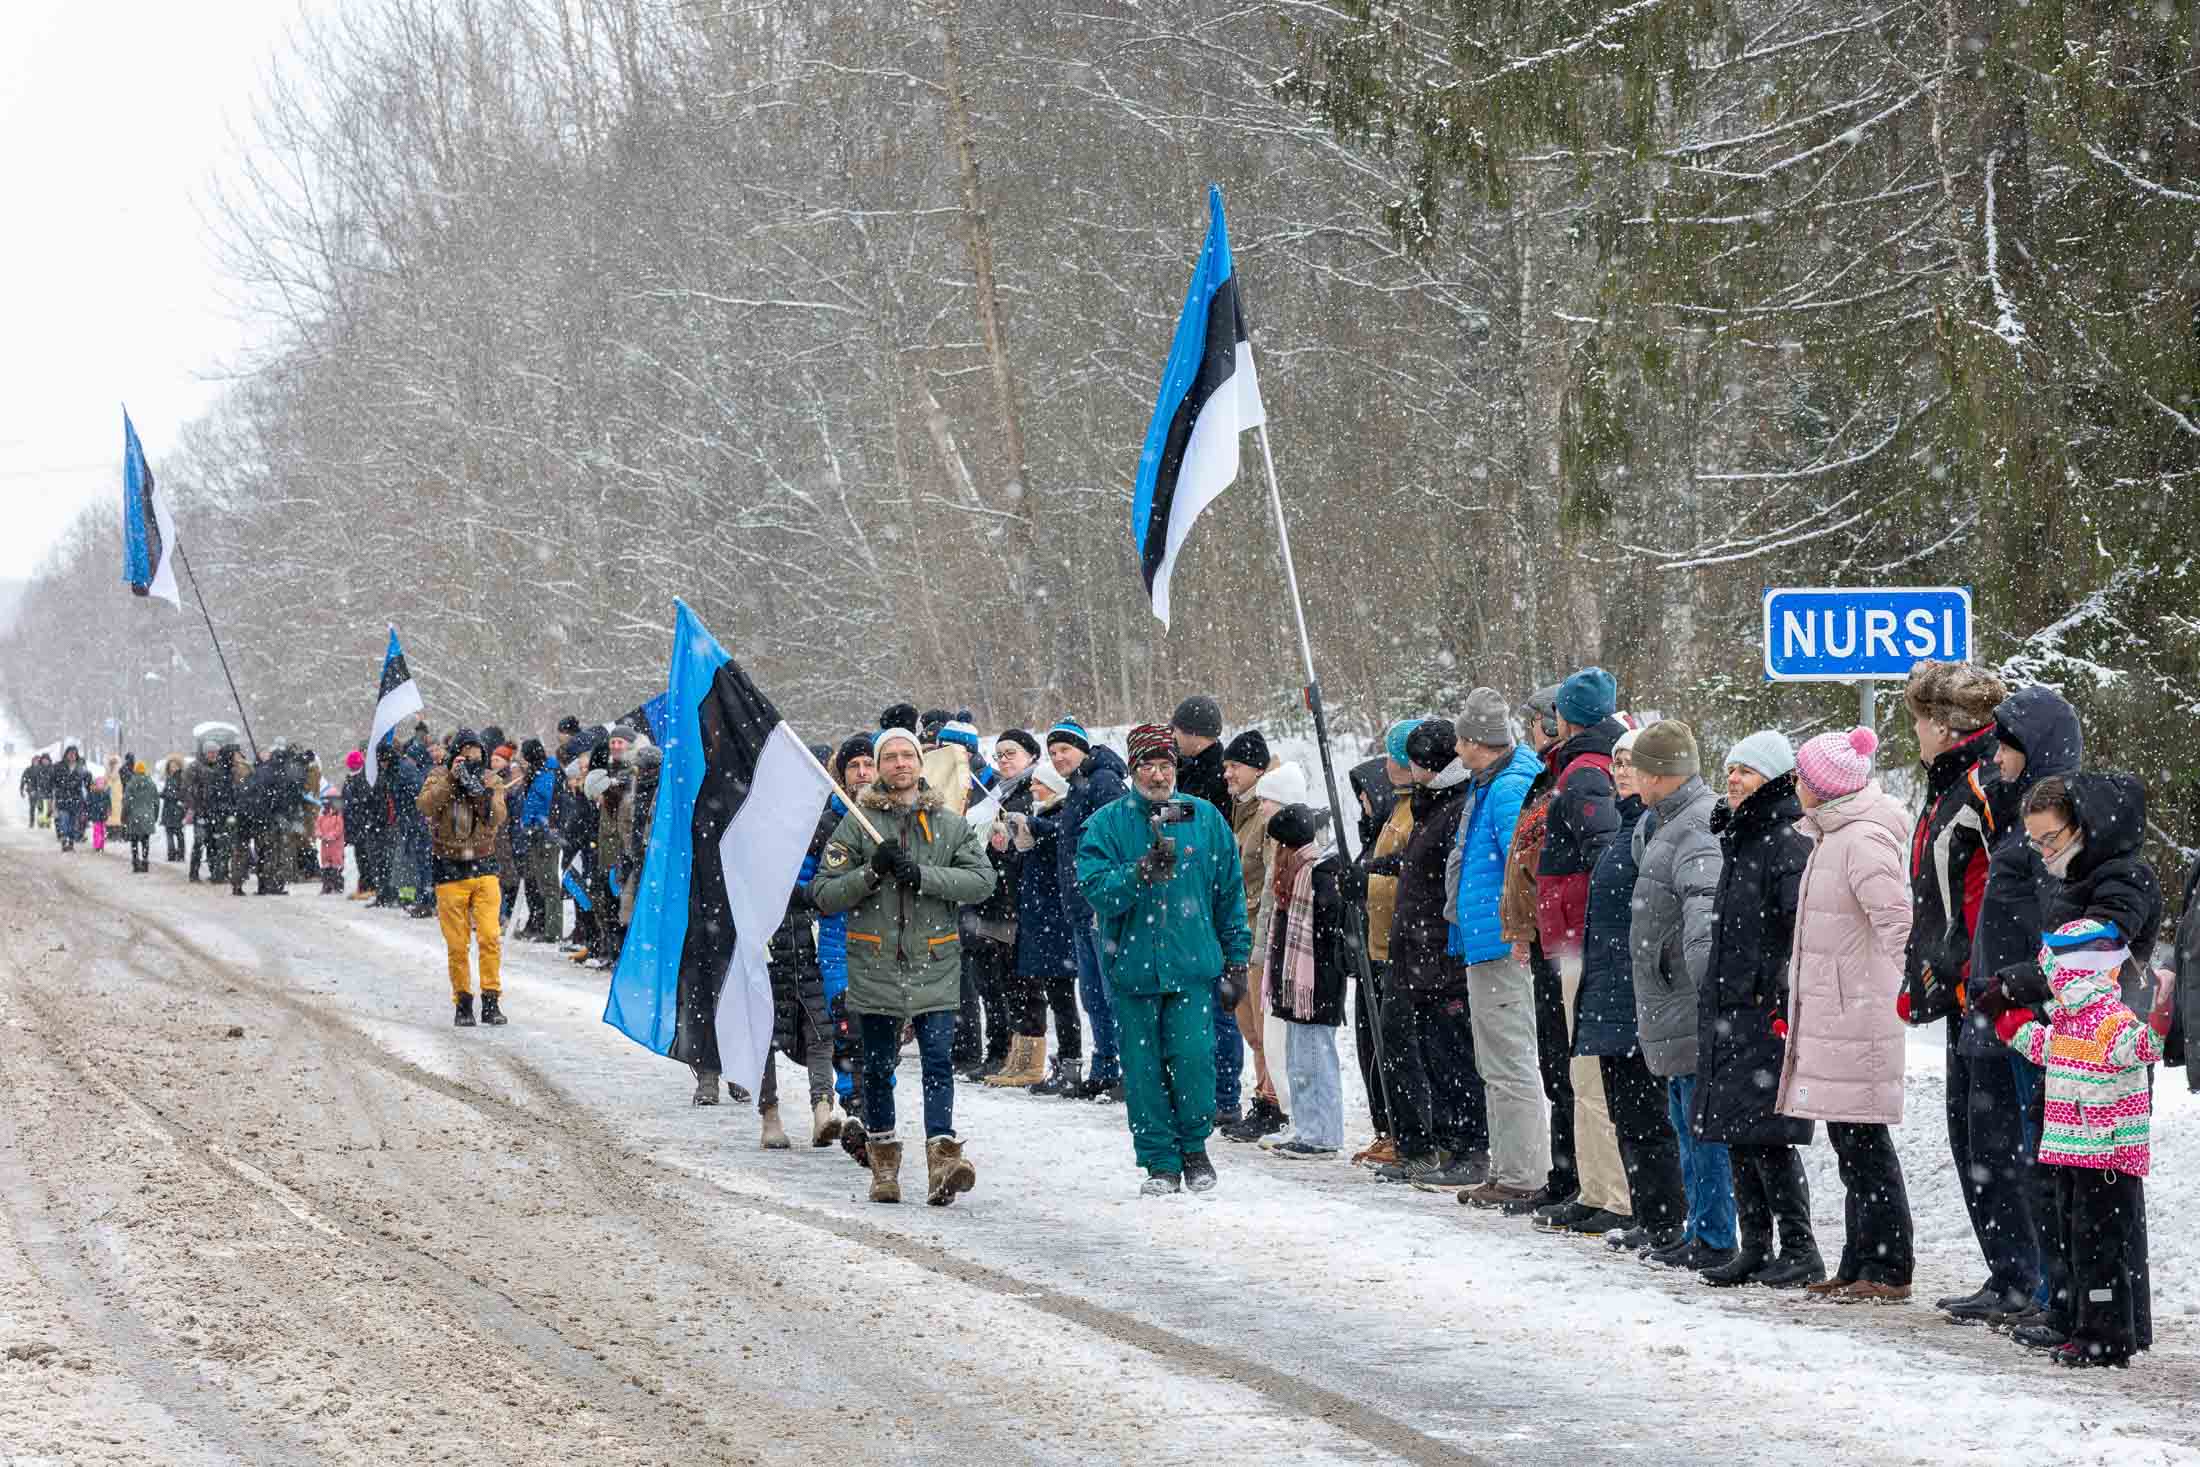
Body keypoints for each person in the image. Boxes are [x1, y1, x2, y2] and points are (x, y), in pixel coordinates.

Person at [1979, 770, 2163, 1355]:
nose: (2043, 852)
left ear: (2085, 827)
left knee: (2103, 1205)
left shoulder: (2124, 876)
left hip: (2109, 1066)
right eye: (2034, 841)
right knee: (2061, 1191)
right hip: (2069, 1053)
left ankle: (2112, 1322)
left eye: (2050, 838)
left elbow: (2096, 953)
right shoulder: (2078, 874)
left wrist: (2016, 985)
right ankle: (2069, 1306)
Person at [808, 725, 995, 1205]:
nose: (898, 764)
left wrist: (925, 876)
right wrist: (872, 872)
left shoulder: (948, 823)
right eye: (888, 756)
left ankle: (944, 1160)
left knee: (937, 1061)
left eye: (906, 755)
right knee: (876, 1066)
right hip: (874, 963)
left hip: (934, 959)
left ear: (919, 763)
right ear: (879, 765)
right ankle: (884, 1164)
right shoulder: (855, 823)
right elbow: (825, 893)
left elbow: (981, 880)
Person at [1076, 722, 1252, 1196]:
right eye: (1148, 766)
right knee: (1143, 1066)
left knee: (1195, 1059)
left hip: (1193, 966)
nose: (1158, 775)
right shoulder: (1107, 824)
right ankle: (1159, 1160)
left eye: (1166, 764)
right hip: (1134, 968)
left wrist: (1237, 962)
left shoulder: (1206, 818)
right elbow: (1095, 889)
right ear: (1133, 769)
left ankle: (1194, 1148)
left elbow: (1229, 895)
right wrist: (1138, 874)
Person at [1954, 685, 2080, 1328]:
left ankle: (2041, 1289)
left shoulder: (2052, 819)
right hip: (1995, 1003)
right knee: (1997, 1148)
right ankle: (2014, 1278)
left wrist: (2021, 994)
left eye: (2006, 746)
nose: (1995, 757)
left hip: (2024, 1011)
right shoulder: (2016, 813)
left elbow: (2051, 921)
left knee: (2027, 1153)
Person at [1994, 921, 2175, 1368]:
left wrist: (2162, 1007)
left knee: (2101, 1252)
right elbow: (2040, 1046)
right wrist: (2004, 1018)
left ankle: (2105, 1339)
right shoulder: (2070, 1024)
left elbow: (2145, 1045)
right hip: (2076, 1155)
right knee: (2080, 1245)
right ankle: (2088, 1329)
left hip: (2108, 1160)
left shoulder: (2110, 1023)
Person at [1778, 727, 1915, 1300]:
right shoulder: (1833, 837)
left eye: (1801, 778)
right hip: (1839, 1015)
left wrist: (1892, 991)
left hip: (1858, 1017)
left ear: (1821, 788)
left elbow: (1898, 925)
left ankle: (1887, 1267)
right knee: (1850, 1144)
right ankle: (1861, 1262)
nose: (1796, 787)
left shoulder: (1861, 841)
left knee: (1864, 1144)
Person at [1892, 660, 2010, 1322]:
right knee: (1969, 1136)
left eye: (1919, 720)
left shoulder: (1982, 787)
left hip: (1982, 984)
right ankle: (2006, 1269)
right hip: (1958, 981)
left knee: (1991, 1139)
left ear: (1942, 725)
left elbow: (1996, 889)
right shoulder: (1949, 787)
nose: (1914, 732)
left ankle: (2022, 1272)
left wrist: (1972, 967)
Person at [1691, 732, 1816, 1284]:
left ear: (1773, 777)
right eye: (1731, 769)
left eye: (1747, 770)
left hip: (1764, 1008)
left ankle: (1799, 1246)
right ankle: (1755, 1242)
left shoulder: (1784, 839)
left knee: (1768, 1134)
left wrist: (1772, 989)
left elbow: (1795, 928)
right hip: (1733, 1003)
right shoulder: (1742, 834)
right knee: (1738, 1130)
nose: (1734, 779)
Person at [1627, 721, 1736, 1257]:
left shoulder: (1695, 827)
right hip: (1670, 1000)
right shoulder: (1663, 821)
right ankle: (1698, 1228)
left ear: (1661, 775)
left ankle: (1714, 1235)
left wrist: (1697, 976)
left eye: (1640, 771)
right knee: (1683, 1119)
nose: (1632, 780)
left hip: (1689, 999)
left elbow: (1703, 909)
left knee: (1701, 1126)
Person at [1366, 718, 1488, 1189]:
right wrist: (1375, 869)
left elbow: (1442, 873)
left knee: (1451, 1054)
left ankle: (1469, 1147)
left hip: (1438, 953)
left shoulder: (1454, 807)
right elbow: (1421, 863)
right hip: (1415, 950)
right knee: (1420, 1052)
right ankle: (1434, 1145)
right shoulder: (1434, 805)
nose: (1409, 772)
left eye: (1416, 764)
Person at [1444, 689, 1554, 1211]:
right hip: (1486, 940)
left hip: (1501, 944)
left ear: (1476, 742)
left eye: (1462, 738)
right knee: (1496, 1060)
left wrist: (1519, 933)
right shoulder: (1491, 784)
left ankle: (1524, 1173)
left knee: (1509, 1060)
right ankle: (1509, 1166)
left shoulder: (1507, 789)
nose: (1457, 748)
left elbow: (1526, 865)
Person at [1576, 726, 1685, 1253]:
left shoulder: (1652, 827)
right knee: (1627, 1112)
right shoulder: (1626, 827)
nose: (1621, 771)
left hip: (1643, 990)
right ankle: (1649, 1214)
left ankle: (1668, 1219)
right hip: (1613, 988)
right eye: (1616, 762)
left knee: (1650, 1112)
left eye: (1631, 763)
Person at [1501, 685, 1578, 1216]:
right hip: (1545, 938)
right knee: (1555, 1064)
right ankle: (1565, 1170)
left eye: (1538, 722)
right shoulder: (1545, 778)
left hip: (1567, 945)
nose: (1530, 731)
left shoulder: (1572, 780)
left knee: (1570, 1067)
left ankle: (1577, 1175)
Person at [1262, 803, 1351, 1157]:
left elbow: (1328, 932)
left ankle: (1323, 1133)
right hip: (1296, 982)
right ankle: (1306, 1126)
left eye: (1277, 845)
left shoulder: (1318, 872)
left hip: (1316, 984)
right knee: (1298, 1058)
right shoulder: (1296, 873)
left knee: (1315, 1058)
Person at [1348, 721, 1418, 1165]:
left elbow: (1401, 870)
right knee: (1372, 1045)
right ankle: (1386, 1125)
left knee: (1395, 1045)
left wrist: (1370, 876)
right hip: (1374, 946)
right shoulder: (1389, 819)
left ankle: (1401, 1129)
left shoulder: (1409, 816)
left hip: (1396, 945)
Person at [1048, 719, 1127, 1100]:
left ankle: (1129, 1070)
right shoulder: (1078, 786)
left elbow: (1115, 837)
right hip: (1079, 907)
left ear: (1082, 748)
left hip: (1100, 907)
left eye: (1064, 749)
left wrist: (1104, 895)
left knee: (1113, 994)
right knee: (1093, 994)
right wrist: (1033, 825)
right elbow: (1072, 834)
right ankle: (1105, 1066)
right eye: (1052, 752)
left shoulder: (1103, 782)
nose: (1058, 757)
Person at [1001, 757, 1083, 1092]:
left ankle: (1071, 1064)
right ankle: (1065, 1062)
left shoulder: (1059, 815)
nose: (1032, 788)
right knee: (1056, 995)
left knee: (1063, 999)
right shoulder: (1044, 815)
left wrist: (1033, 827)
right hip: (1043, 922)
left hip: (1056, 924)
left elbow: (1062, 836)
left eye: (1039, 783)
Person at [1220, 728, 1287, 1141]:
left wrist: (1258, 936)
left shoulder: (1267, 811)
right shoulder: (1240, 808)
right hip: (1239, 931)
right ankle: (1263, 1096)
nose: (1227, 774)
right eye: (1226, 766)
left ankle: (1273, 1102)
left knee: (1264, 1027)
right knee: (1248, 1025)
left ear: (1258, 769)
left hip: (1257, 931)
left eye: (1235, 766)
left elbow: (1268, 879)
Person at [418, 730, 511, 1027]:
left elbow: (497, 816)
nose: (471, 757)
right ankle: (463, 1002)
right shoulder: (438, 775)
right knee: (457, 944)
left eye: (475, 752)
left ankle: (491, 999)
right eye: (465, 752)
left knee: (489, 936)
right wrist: (451, 778)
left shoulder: (491, 779)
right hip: (449, 869)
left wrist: (478, 789)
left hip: (484, 866)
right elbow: (426, 805)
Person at [122, 760, 160, 874]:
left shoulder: (131, 784)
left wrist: (124, 816)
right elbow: (157, 803)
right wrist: (155, 817)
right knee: (145, 841)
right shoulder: (151, 784)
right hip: (147, 817)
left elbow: (126, 802)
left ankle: (135, 862)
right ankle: (145, 862)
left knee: (134, 841)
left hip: (134, 817)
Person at [51, 747, 90, 852]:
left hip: (75, 799)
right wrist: (56, 790)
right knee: (64, 821)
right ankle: (64, 842)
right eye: (70, 754)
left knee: (73, 823)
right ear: (66, 754)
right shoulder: (59, 766)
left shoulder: (81, 768)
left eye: (74, 754)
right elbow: (53, 780)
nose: (72, 756)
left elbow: (88, 781)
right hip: (63, 799)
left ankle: (71, 843)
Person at [158, 755, 188, 862]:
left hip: (176, 809)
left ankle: (178, 854)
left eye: (175, 765)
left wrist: (166, 795)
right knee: (171, 833)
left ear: (179, 766)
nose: (173, 768)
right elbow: (168, 792)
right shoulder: (169, 778)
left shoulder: (181, 778)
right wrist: (162, 794)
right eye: (171, 766)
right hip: (169, 809)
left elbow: (180, 794)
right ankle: (174, 853)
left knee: (178, 833)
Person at [315, 792, 347, 893]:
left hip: (336, 845)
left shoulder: (338, 816)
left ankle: (337, 885)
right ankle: (327, 885)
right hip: (325, 844)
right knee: (326, 864)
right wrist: (320, 834)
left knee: (336, 864)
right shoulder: (322, 816)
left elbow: (339, 829)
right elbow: (317, 827)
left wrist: (331, 836)